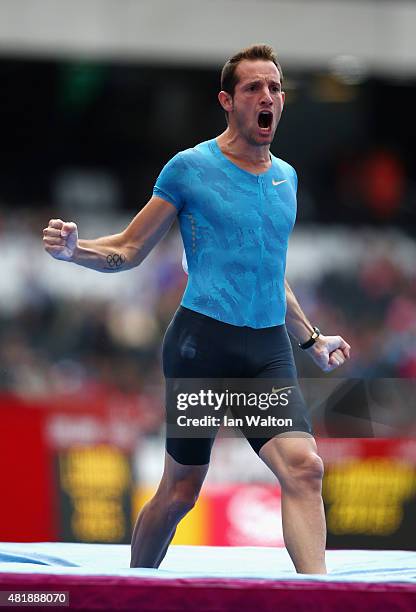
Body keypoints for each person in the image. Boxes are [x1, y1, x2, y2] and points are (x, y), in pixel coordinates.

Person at [43, 44, 350, 574]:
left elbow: (269, 275)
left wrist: (312, 340)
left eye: (275, 88)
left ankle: (318, 599)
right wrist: (77, 251)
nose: (268, 97)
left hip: (266, 352)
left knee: (305, 469)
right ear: (227, 101)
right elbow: (130, 249)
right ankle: (135, 587)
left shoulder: (287, 179)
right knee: (181, 492)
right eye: (254, 87)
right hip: (201, 347)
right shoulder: (190, 168)